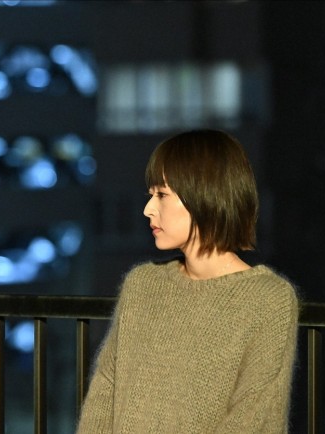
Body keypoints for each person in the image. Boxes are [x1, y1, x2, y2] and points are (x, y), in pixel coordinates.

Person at [76, 129, 298, 433]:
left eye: (162, 195)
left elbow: (255, 417)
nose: (148, 209)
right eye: (151, 195)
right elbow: (105, 392)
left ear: (204, 195)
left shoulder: (268, 300)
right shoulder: (142, 284)